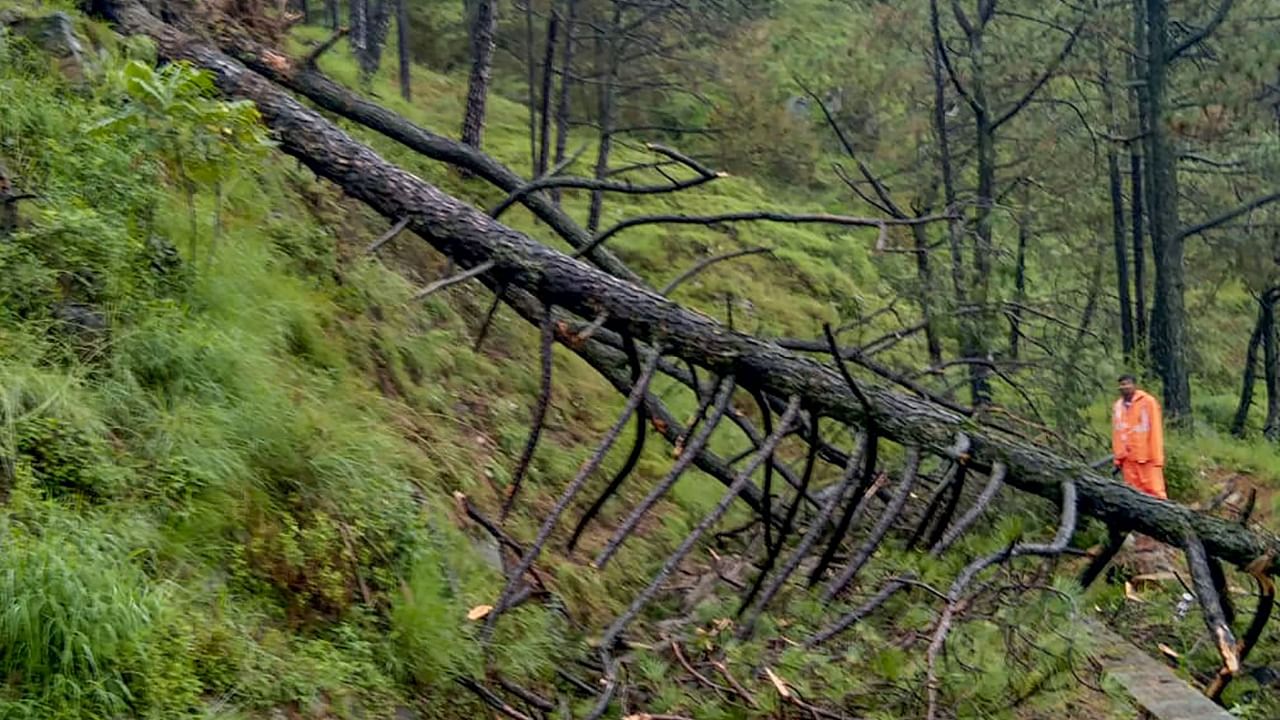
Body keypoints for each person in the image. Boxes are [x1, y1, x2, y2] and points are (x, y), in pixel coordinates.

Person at [1111, 374, 1167, 500]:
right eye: (1121, 385)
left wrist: (1157, 458)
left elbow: (1156, 431)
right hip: (1128, 459)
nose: (1124, 387)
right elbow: (1117, 433)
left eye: (1127, 384)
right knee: (1133, 495)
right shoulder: (1118, 406)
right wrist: (1118, 459)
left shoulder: (1148, 402)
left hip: (1147, 457)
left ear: (1134, 385)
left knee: (1155, 493)